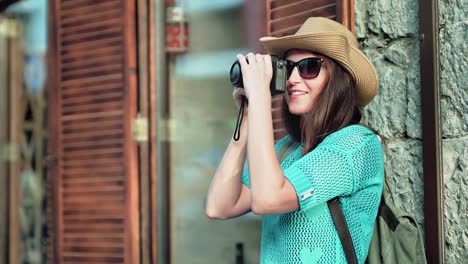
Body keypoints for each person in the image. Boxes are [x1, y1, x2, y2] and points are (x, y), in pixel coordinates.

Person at [205, 17, 384, 264]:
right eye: (288, 68)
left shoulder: (356, 145)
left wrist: (260, 100)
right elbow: (220, 206)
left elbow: (269, 199)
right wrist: (246, 118)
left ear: (337, 80)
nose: (292, 79)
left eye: (309, 67)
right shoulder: (288, 149)